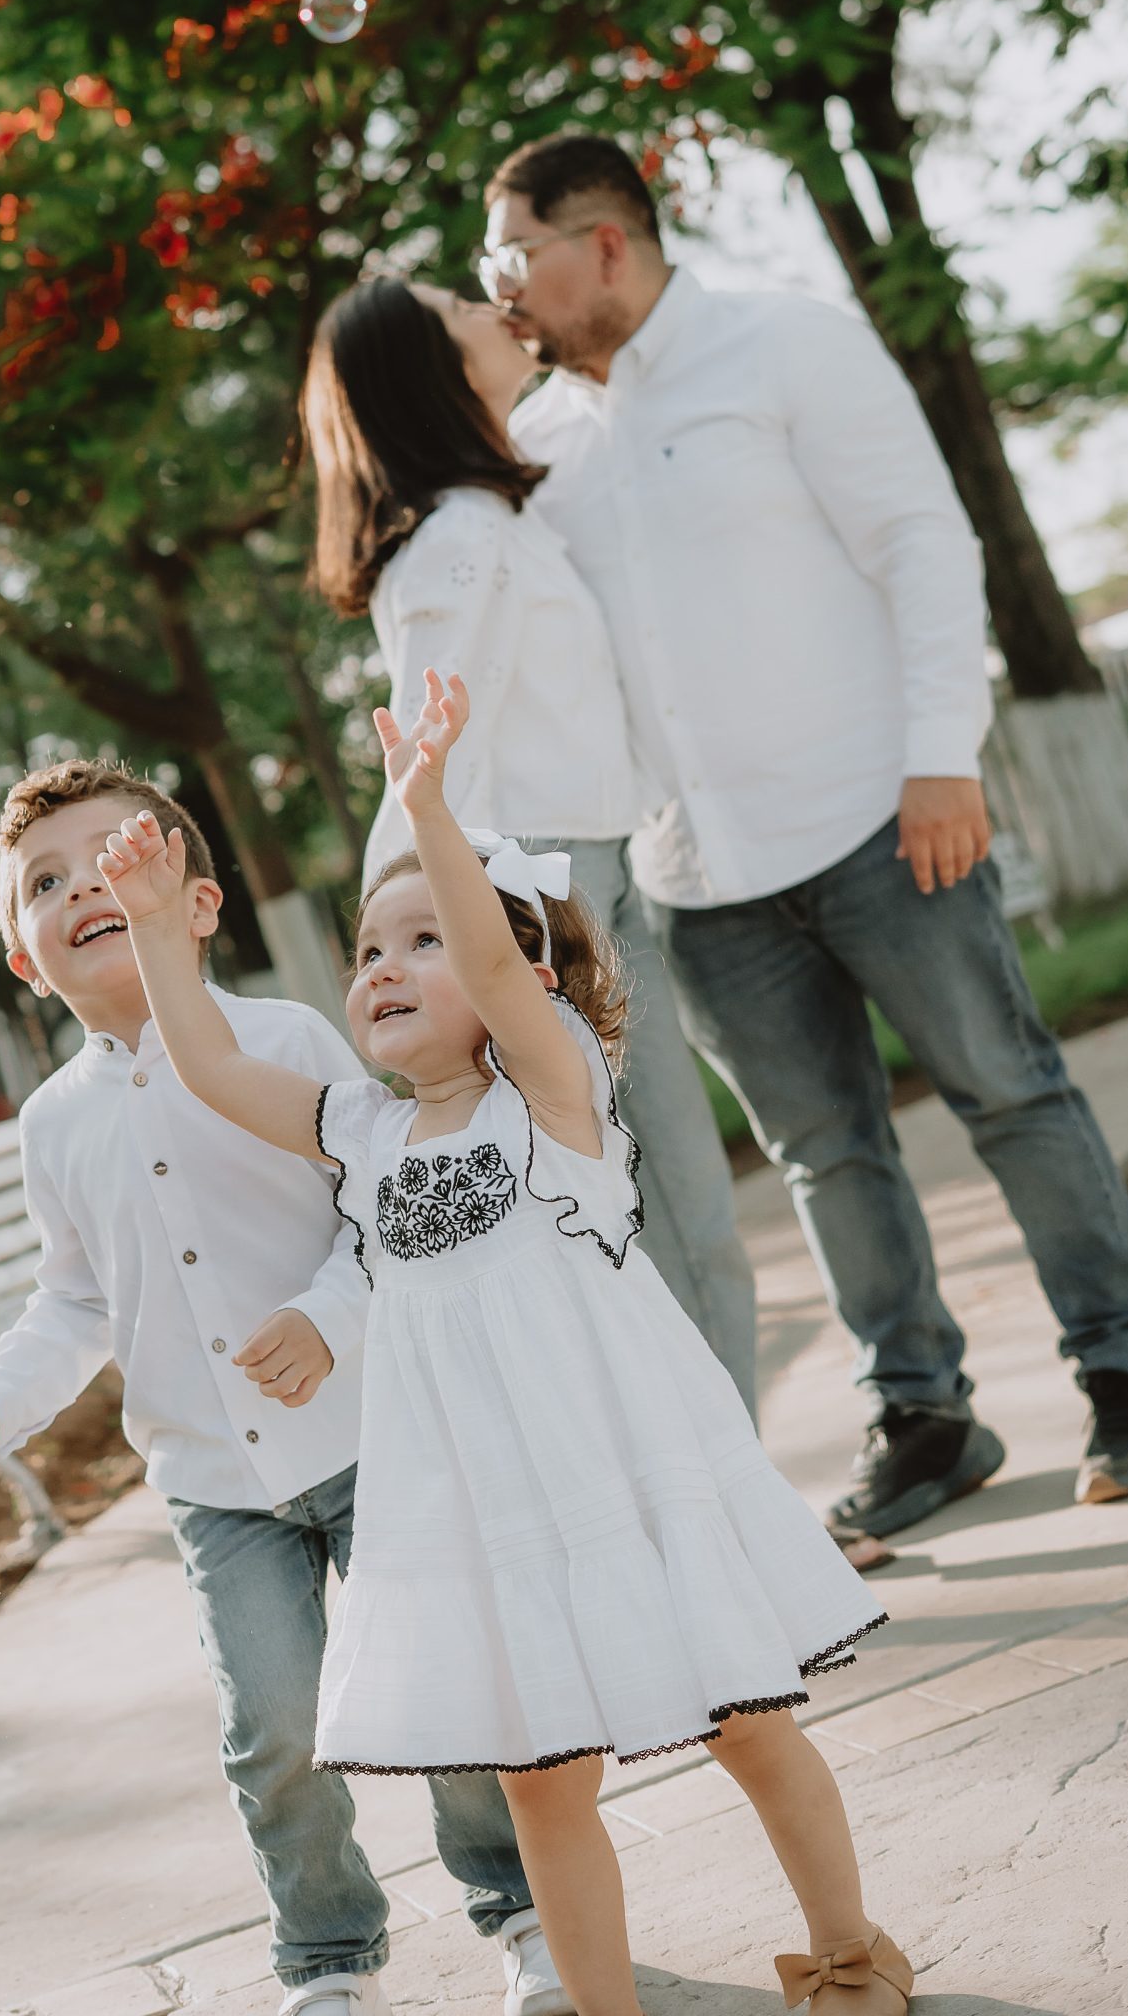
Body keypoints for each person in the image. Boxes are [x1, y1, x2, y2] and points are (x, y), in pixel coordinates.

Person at [96, 673, 909, 2016]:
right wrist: (153, 935)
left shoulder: (554, 1096)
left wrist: (425, 807)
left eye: (422, 939)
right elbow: (215, 1072)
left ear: (528, 977)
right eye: (368, 948)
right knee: (538, 1785)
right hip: (487, 1515)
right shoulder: (362, 1134)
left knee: (747, 1726)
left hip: (624, 1476)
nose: (382, 966)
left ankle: (847, 1951)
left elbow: (487, 967)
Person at [480, 129, 1128, 1533]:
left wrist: (941, 756)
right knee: (821, 1151)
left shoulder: (785, 345)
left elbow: (921, 541)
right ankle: (922, 1414)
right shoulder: (534, 446)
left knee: (1008, 1089)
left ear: (604, 241)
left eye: (512, 252)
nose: (500, 284)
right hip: (695, 877)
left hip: (879, 817)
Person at [0, 758, 565, 2016]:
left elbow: (382, 1211)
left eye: (117, 856)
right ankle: (328, 1957)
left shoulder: (288, 1041)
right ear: (25, 959)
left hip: (374, 1439)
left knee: (445, 1683)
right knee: (274, 1731)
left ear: (197, 902)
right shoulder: (53, 1124)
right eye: (45, 882)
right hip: (216, 1485)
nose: (84, 886)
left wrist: (327, 1318)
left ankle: (522, 1906)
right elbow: (75, 1300)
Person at [302, 270, 759, 1417]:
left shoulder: (489, 516)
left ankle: (713, 1478)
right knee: (661, 1204)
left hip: (577, 871)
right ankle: (724, 1491)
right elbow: (425, 764)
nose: (495, 311)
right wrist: (419, 941)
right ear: (435, 370)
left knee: (653, 1200)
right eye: (463, 310)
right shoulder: (462, 537)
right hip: (542, 889)